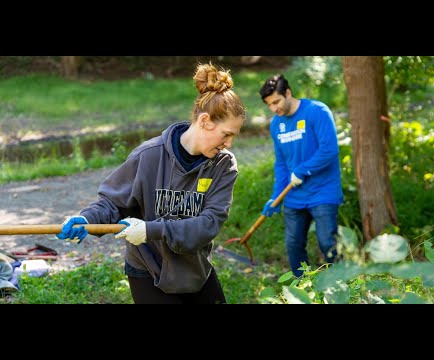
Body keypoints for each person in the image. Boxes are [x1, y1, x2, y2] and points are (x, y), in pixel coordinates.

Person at [56, 62, 246, 304]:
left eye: (233, 136)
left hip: (194, 269)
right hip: (148, 269)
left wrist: (150, 230)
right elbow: (113, 203)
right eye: (226, 134)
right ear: (205, 121)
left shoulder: (223, 165)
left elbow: (208, 225)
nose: (229, 143)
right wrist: (87, 220)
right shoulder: (148, 156)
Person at [259, 74, 344, 277]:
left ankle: (344, 285)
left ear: (288, 93)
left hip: (323, 191)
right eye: (269, 105)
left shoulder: (317, 111)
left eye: (276, 102)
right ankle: (303, 288)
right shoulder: (276, 125)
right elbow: (281, 164)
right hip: (294, 196)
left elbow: (329, 149)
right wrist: (276, 196)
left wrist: (303, 169)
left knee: (327, 243)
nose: (274, 109)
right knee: (294, 245)